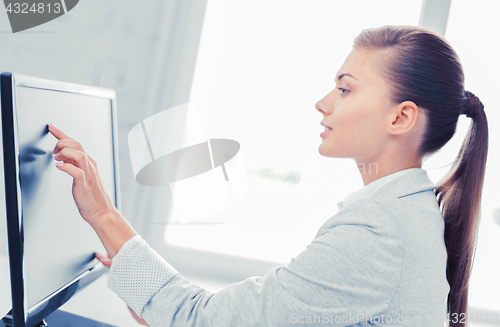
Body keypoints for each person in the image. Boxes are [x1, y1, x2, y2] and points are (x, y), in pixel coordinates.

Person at [48, 25, 488, 326]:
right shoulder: (408, 215)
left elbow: (203, 320)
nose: (323, 103)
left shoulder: (377, 233)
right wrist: (164, 310)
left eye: (345, 88)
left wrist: (102, 213)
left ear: (401, 117)